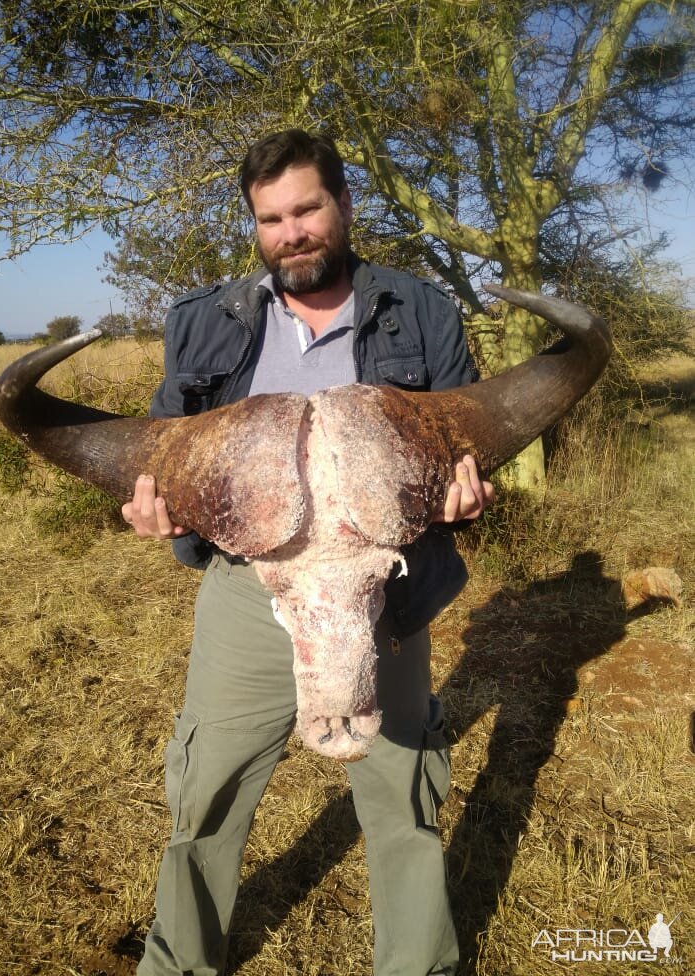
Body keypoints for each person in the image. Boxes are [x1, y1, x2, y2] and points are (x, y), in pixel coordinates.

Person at [123, 129, 495, 976]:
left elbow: (463, 452)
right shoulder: (204, 326)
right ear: (255, 226)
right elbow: (165, 457)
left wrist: (465, 502)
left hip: (386, 596)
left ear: (344, 203)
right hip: (249, 592)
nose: (291, 232)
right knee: (205, 794)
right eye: (270, 218)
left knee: (402, 794)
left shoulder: (421, 311)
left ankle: (417, 965)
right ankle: (178, 964)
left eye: (307, 209)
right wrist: (159, 513)